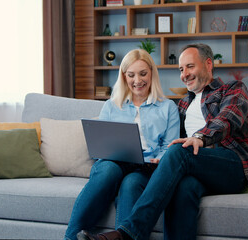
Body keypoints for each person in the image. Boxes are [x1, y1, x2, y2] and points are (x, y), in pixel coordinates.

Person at [79, 43, 248, 240]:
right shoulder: (183, 104)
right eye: (181, 69)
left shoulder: (233, 89)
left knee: (178, 150)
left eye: (190, 67)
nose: (185, 74)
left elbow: (226, 120)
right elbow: (168, 137)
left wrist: (199, 139)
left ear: (208, 64)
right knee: (183, 188)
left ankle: (128, 232)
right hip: (196, 169)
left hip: (230, 165)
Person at [64, 49, 180, 240]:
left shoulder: (168, 108)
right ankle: (71, 238)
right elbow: (99, 145)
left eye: (143, 74)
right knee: (109, 170)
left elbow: (170, 148)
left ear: (152, 73)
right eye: (131, 75)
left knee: (131, 182)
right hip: (113, 163)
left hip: (145, 168)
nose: (137, 81)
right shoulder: (111, 105)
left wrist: (156, 159)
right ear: (124, 76)